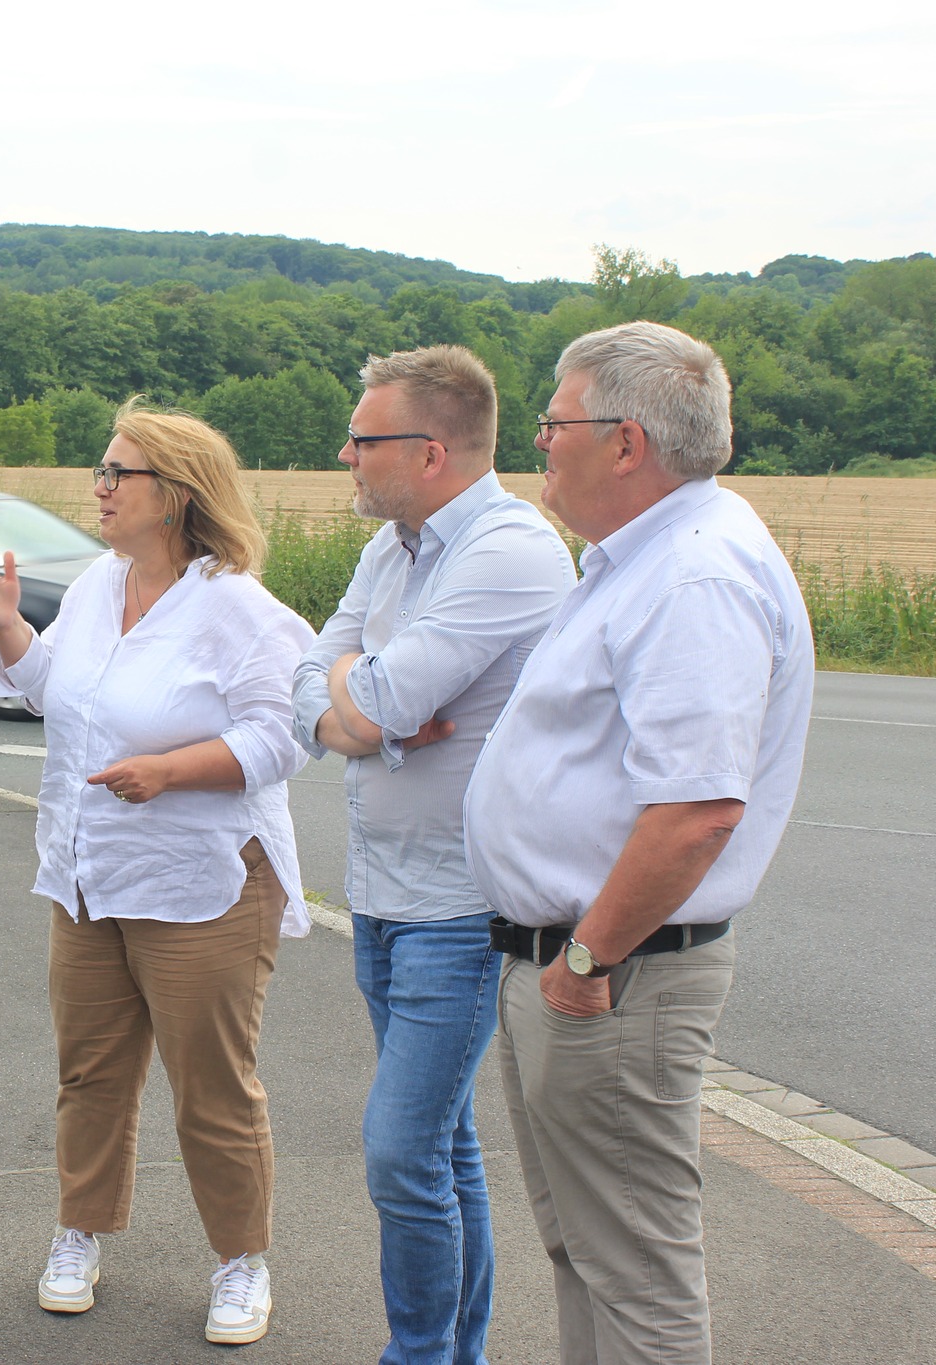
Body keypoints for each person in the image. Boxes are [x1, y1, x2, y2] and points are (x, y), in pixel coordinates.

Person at [465, 321, 814, 1364]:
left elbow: (697, 811)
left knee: (634, 1274)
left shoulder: (691, 577)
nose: (539, 445)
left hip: (610, 977)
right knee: (588, 1252)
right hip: (581, 967)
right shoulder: (640, 561)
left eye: (553, 423)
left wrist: (584, 959)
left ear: (624, 442)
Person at [0, 399, 314, 1347]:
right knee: (89, 1072)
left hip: (200, 882)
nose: (101, 485)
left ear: (176, 495)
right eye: (102, 467)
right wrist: (9, 628)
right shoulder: (95, 584)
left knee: (211, 1085)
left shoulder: (241, 608)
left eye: (120, 471)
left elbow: (286, 735)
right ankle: (80, 1232)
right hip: (88, 874)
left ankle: (242, 1260)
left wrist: (171, 771)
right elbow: (57, 695)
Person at [291, 346, 576, 1364]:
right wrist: (369, 714)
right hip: (379, 890)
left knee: (400, 1150)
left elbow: (360, 694)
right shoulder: (396, 547)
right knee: (442, 1148)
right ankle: (456, 1354)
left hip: (461, 902)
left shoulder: (508, 549)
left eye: (363, 441)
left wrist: (363, 705)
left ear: (430, 449)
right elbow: (305, 682)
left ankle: (417, 1357)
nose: (344, 455)